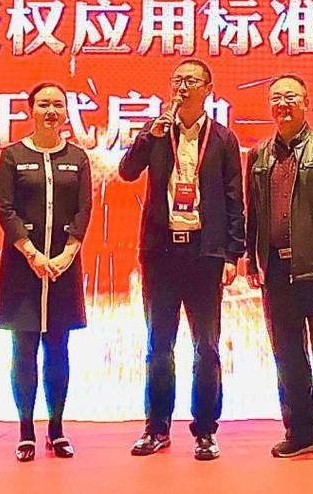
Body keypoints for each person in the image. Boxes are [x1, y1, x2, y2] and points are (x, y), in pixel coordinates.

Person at [118, 58, 245, 461]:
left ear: (208, 89)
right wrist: (146, 137)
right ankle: (156, 428)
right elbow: (126, 172)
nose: (182, 87)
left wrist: (232, 253)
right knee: (159, 344)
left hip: (204, 253)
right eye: (177, 80)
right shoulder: (157, 132)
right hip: (161, 253)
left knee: (206, 346)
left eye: (191, 80)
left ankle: (205, 431)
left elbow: (234, 200)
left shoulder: (222, 139)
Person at [244, 74, 313, 468]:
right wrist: (252, 259)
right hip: (275, 269)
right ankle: (300, 432)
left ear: (306, 103)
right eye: (276, 98)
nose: (283, 104)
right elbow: (254, 213)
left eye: (290, 97)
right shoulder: (258, 155)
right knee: (288, 355)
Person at [0, 82, 92, 462]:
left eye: (58, 105)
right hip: (22, 267)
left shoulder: (77, 158)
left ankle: (57, 429)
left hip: (63, 267)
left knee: (58, 350)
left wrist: (68, 253)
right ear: (31, 110)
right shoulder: (13, 155)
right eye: (44, 104)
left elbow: (84, 209)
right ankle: (25, 431)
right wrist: (31, 252)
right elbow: (5, 209)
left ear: (66, 112)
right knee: (23, 350)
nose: (51, 111)